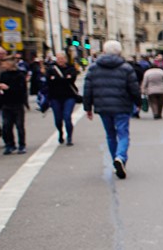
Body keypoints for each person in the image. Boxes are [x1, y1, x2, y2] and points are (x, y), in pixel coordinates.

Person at [83, 40, 140, 179]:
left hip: (103, 107)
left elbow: (87, 89)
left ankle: (116, 158)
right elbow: (134, 87)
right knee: (123, 133)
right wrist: (138, 102)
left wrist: (88, 107)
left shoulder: (93, 68)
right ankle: (120, 157)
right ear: (119, 52)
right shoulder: (126, 68)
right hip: (122, 105)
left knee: (110, 134)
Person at [44, 52, 80, 145]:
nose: (60, 60)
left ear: (65, 59)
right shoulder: (51, 69)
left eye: (62, 58)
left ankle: (69, 137)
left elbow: (72, 79)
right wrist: (64, 79)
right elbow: (49, 81)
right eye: (59, 58)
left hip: (69, 96)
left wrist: (56, 79)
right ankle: (60, 132)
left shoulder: (71, 68)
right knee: (58, 118)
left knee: (67, 116)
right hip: (55, 97)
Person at [0, 55, 28, 155]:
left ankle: (22, 145)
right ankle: (9, 144)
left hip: (17, 103)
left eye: (4, 63)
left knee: (19, 125)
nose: (3, 65)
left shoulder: (19, 75)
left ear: (10, 64)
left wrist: (8, 88)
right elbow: (1, 87)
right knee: (6, 126)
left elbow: (22, 90)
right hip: (6, 103)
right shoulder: (3, 75)